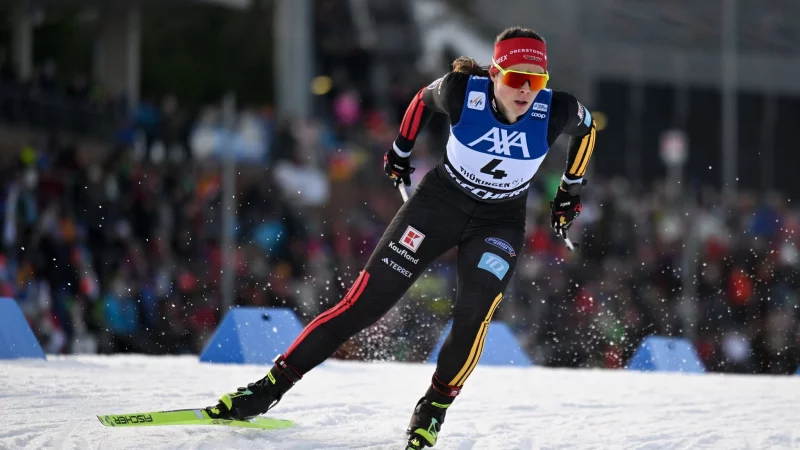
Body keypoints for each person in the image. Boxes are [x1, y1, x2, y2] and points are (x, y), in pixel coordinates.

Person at [206, 26, 597, 449]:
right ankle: (267, 388)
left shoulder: (556, 109)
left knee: (473, 317)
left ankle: (431, 412)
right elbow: (420, 100)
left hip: (498, 223)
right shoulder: (463, 91)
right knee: (361, 306)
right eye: (517, 79)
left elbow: (588, 131)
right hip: (438, 205)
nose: (526, 91)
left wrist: (570, 189)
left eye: (536, 81)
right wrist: (401, 150)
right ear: (495, 74)